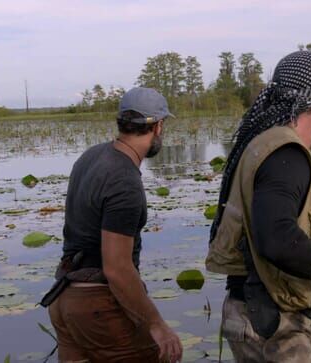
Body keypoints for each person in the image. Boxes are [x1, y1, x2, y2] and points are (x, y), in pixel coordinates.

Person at [205, 51, 311, 363]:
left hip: (250, 312)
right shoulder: (285, 153)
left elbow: (265, 232)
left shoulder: (265, 144)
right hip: (271, 324)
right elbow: (276, 240)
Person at [46, 87, 183, 363]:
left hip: (64, 300)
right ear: (157, 127)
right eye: (163, 126)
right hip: (98, 305)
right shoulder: (124, 181)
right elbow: (117, 268)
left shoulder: (91, 156)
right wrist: (157, 324)